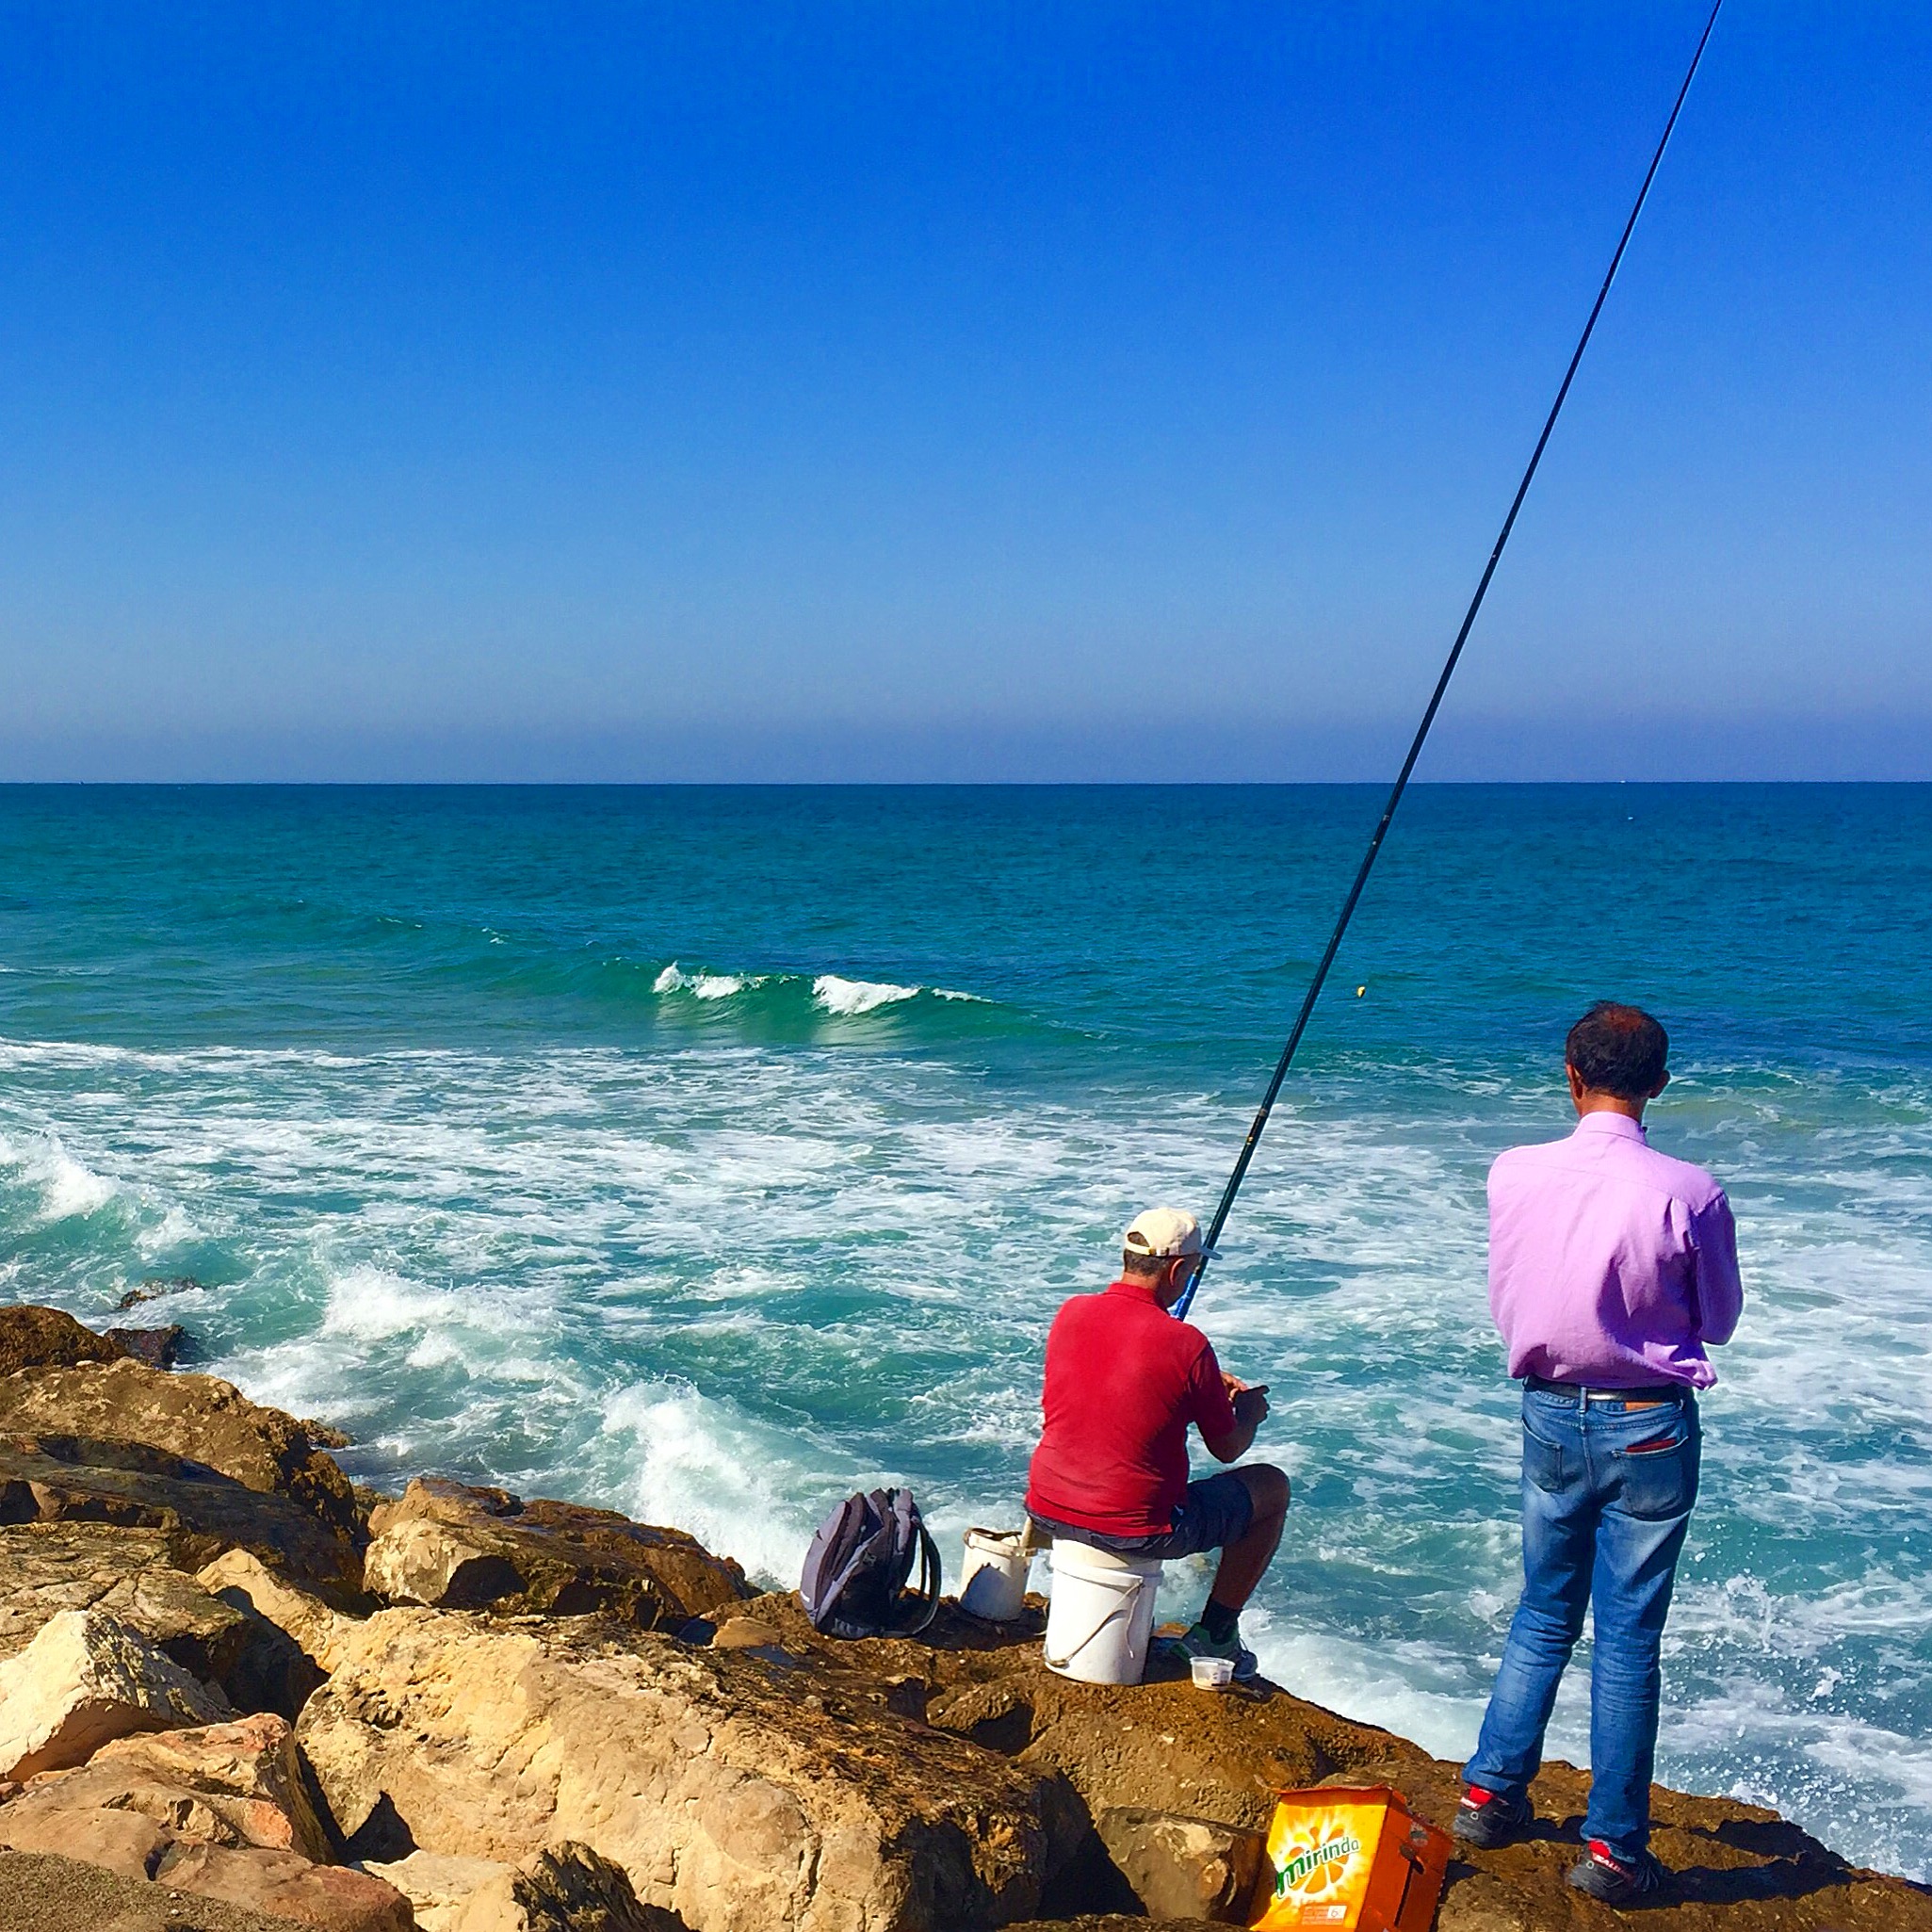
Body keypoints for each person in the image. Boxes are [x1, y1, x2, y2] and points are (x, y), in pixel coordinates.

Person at [1454, 1002, 1744, 1906]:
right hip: (1648, 1419)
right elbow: (1719, 1321)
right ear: (1659, 1082)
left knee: (1543, 1611)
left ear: (1570, 1076)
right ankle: (1613, 1847)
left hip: (1549, 1410)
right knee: (1626, 1637)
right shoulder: (1690, 1190)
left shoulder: (1513, 1170)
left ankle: (1489, 1795)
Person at [1025, 1206, 1291, 1679]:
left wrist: (1198, 1384)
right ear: (1177, 1270)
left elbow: (1115, 1379)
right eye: (1191, 1270)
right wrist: (1248, 1414)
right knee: (1272, 1487)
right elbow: (1227, 1448)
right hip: (1135, 1527)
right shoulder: (1187, 1344)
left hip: (1047, 1507)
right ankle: (1216, 1633)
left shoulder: (1071, 1313)